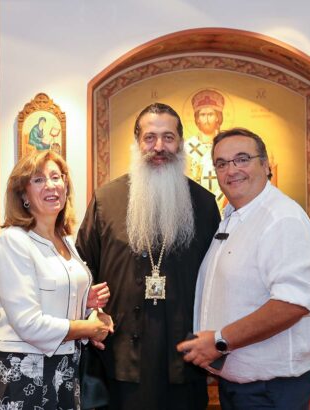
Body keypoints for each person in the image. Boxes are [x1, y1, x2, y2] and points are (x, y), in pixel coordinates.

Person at [76, 102, 220, 409]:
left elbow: (219, 279)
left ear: (180, 143)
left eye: (168, 137)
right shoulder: (107, 200)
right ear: (137, 142)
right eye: (150, 137)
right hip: (119, 358)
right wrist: (90, 316)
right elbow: (81, 271)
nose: (159, 147)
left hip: (185, 357)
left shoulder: (204, 204)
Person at [178, 128, 310, 410]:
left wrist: (220, 341)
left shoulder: (281, 218)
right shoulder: (234, 217)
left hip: (272, 390)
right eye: (222, 163)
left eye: (242, 159)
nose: (231, 170)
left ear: (265, 165)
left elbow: (292, 304)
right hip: (242, 386)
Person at [0, 150, 113, 410]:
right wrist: (88, 328)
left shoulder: (66, 241)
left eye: (56, 177)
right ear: (23, 195)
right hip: (20, 369)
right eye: (39, 180)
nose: (51, 185)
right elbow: (28, 323)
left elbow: (58, 299)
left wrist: (88, 307)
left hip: (65, 367)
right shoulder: (12, 241)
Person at [185, 89, 226, 207]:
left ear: (218, 117)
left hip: (225, 201)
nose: (206, 120)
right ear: (197, 118)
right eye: (203, 115)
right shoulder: (187, 147)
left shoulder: (226, 144)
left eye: (210, 115)